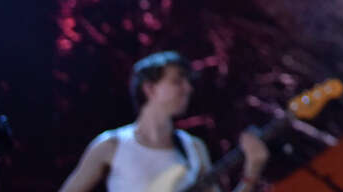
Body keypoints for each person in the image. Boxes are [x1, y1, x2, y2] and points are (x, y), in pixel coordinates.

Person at [57, 51, 269, 192]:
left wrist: (252, 171)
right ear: (149, 89)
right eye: (177, 81)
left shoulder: (193, 148)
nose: (188, 88)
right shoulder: (111, 146)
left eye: (188, 82)